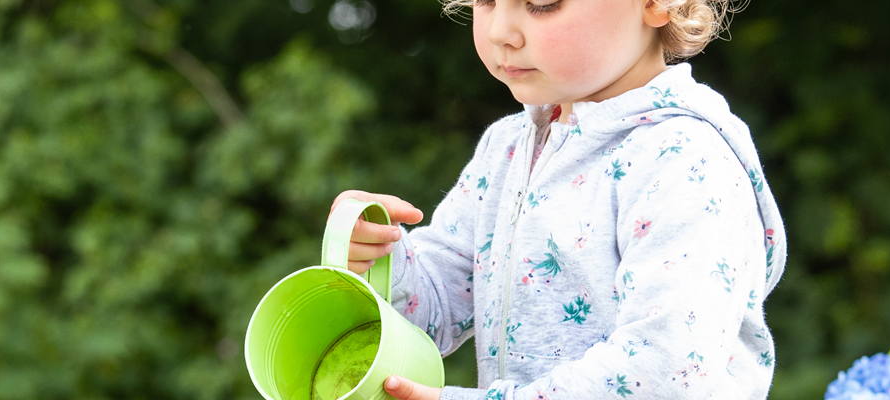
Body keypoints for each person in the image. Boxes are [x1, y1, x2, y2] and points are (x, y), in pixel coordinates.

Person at [330, 0, 787, 398]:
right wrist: (379, 258)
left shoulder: (684, 158)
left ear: (656, 2)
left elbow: (667, 368)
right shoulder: (507, 149)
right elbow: (433, 311)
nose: (499, 32)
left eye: (542, 3)